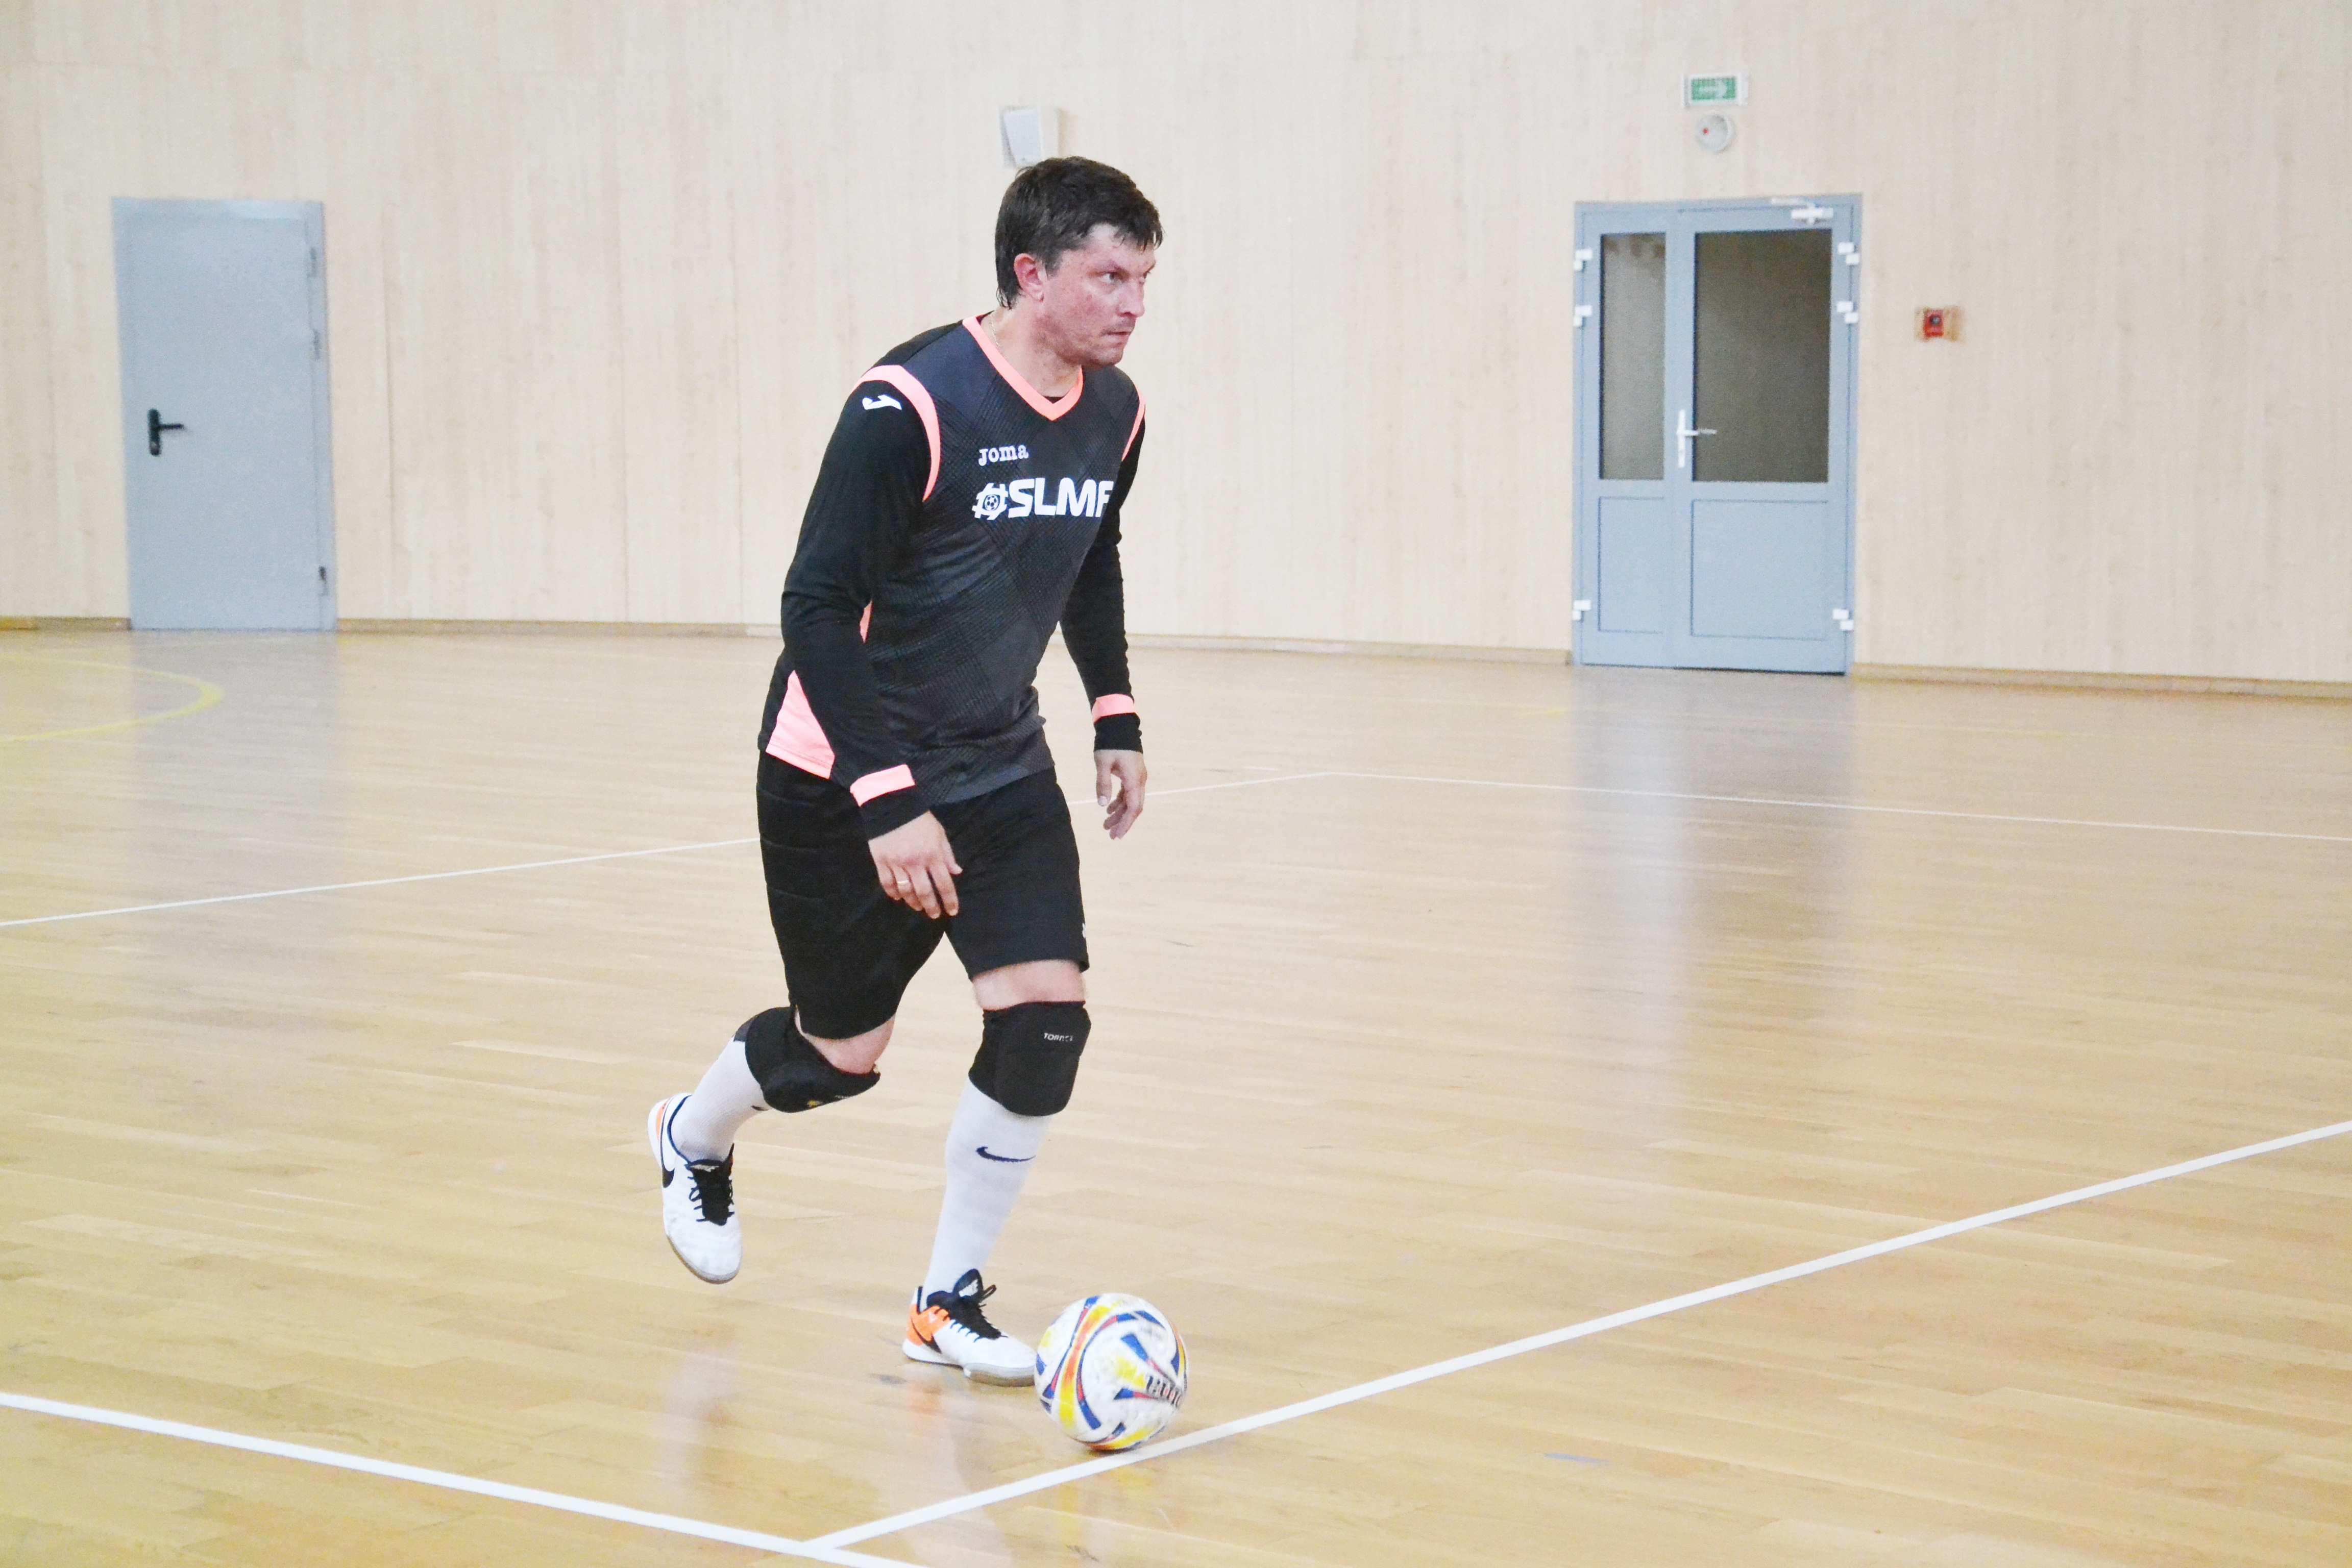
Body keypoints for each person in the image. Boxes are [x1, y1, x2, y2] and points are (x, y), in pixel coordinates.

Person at [648, 158, 1160, 1386]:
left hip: (997, 762)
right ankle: (693, 1136)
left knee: (1045, 1024)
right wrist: (886, 801)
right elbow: (816, 607)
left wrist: (1115, 707)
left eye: (1143, 279)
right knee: (839, 1054)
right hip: (844, 770)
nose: (1132, 304)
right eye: (1108, 277)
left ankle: (946, 1303)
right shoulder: (909, 405)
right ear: (1031, 274)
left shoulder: (1117, 411)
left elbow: (1089, 552)